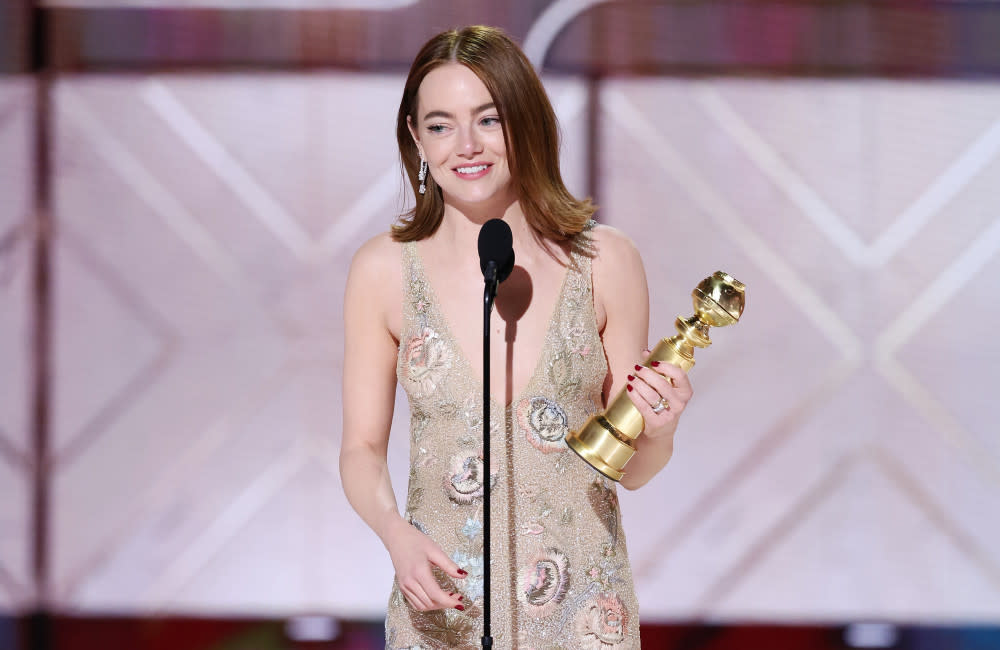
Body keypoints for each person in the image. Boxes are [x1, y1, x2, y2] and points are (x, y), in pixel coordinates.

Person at [340, 25, 693, 649]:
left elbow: (632, 470)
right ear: (416, 138)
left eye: (489, 119)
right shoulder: (384, 271)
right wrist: (395, 533)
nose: (467, 146)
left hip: (582, 618)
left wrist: (660, 430)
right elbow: (361, 448)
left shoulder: (604, 263)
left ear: (526, 124)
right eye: (442, 125)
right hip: (444, 615)